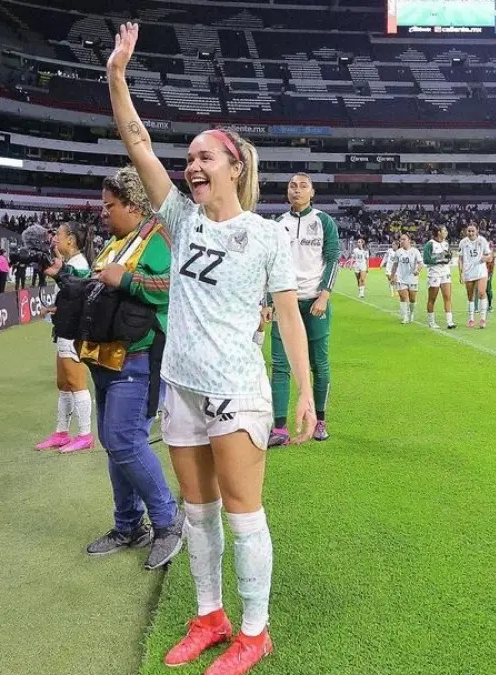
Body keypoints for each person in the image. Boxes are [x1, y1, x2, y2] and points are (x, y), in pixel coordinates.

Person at [108, 23, 317, 675]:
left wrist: (304, 392)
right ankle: (210, 615)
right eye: (189, 157)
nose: (191, 164)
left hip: (237, 391)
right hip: (183, 388)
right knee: (198, 514)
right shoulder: (181, 217)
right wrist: (118, 74)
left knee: (242, 514)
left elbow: (288, 317)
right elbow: (137, 140)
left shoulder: (265, 236)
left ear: (235, 167)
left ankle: (254, 631)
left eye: (204, 156)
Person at [72, 166, 182, 570]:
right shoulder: (117, 242)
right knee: (115, 443)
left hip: (139, 356)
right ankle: (128, 525)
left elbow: (176, 285)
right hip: (105, 357)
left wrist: (127, 279)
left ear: (134, 206)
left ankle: (168, 522)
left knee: (124, 440)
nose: (104, 213)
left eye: (110, 205)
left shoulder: (158, 237)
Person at [267, 173, 338, 447]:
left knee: (319, 365)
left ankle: (319, 419)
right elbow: (269, 265)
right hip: (285, 305)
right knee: (280, 366)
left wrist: (325, 295)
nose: (296, 191)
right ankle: (280, 428)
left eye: (303, 186)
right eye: (292, 186)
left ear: (312, 192)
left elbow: (333, 258)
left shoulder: (323, 222)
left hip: (314, 303)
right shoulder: (278, 225)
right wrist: (267, 302)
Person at [34, 221, 96, 454]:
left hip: (73, 332)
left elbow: (77, 291)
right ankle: (61, 432)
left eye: (58, 235)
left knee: (76, 383)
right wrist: (52, 308)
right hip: (64, 329)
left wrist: (58, 272)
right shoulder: (72, 264)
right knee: (63, 383)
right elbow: (70, 297)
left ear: (70, 239)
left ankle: (85, 434)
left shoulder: (78, 265)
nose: (54, 239)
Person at [459, 224, 492, 329]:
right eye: (469, 231)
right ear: (466, 231)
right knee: (470, 296)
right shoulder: (463, 242)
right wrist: (461, 273)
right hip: (468, 272)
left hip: (481, 271)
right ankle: (471, 319)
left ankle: (483, 319)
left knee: (482, 293)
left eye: (473, 231)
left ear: (477, 231)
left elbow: (489, 256)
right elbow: (460, 258)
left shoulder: (482, 241)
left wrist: (486, 258)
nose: (471, 233)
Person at [423, 226, 457, 329]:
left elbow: (447, 257)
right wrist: (439, 259)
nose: (446, 232)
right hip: (434, 273)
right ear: (439, 232)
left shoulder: (446, 243)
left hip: (445, 272)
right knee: (432, 298)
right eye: (444, 230)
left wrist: (448, 258)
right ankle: (431, 321)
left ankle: (450, 321)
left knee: (447, 296)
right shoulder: (430, 244)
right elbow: (426, 259)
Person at [389, 233, 423, 324]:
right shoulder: (398, 252)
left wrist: (417, 270)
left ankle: (411, 314)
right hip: (401, 278)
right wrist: (392, 277)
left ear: (409, 240)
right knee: (403, 298)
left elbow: (420, 263)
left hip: (412, 278)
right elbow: (395, 265)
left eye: (404, 239)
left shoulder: (415, 251)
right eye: (401, 240)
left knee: (412, 299)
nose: (401, 241)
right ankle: (405, 317)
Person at [485, 238, 496, 313]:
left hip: (488, 274)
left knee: (488, 289)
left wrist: (489, 274)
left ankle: (489, 305)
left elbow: (490, 266)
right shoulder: (486, 254)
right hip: (483, 273)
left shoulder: (491, 255)